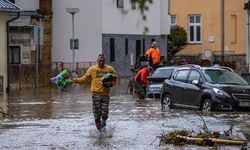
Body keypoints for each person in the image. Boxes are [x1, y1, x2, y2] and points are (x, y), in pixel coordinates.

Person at [71, 54, 116, 132]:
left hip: (105, 95)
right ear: (97, 61)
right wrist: (73, 80)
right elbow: (84, 79)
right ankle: (99, 133)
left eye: (103, 61)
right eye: (100, 61)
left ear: (105, 61)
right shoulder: (92, 69)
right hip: (95, 95)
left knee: (105, 114)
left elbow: (115, 80)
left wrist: (111, 84)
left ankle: (103, 122)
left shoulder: (110, 69)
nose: (101, 62)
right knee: (97, 115)